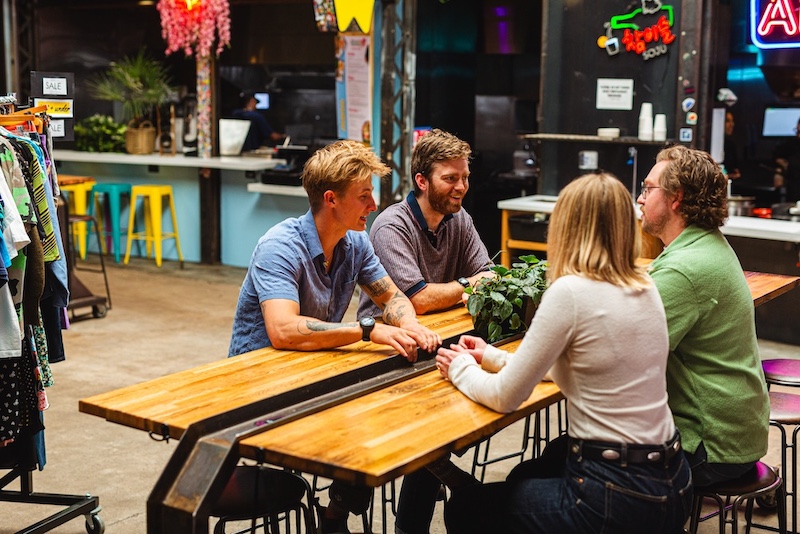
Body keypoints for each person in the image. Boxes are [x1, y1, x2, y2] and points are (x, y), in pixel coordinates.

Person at [436, 173, 692, 533]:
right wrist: (490, 358)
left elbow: (505, 397)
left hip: (615, 496)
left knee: (468, 507)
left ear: (566, 226)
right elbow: (573, 368)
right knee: (527, 474)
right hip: (674, 481)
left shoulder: (571, 291)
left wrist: (460, 366)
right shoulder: (644, 285)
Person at [228, 140, 442, 533]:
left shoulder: (355, 243)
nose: (373, 205)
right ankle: (337, 513)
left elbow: (392, 297)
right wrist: (367, 330)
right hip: (259, 390)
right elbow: (284, 330)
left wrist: (409, 325)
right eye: (363, 196)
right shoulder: (279, 246)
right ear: (331, 199)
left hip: (313, 372)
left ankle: (335, 512)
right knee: (371, 421)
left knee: (404, 414)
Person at [357, 128, 493, 534]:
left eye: (464, 177)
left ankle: (432, 489)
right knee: (432, 431)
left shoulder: (459, 219)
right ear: (422, 181)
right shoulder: (390, 226)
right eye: (450, 178)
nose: (461, 187)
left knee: (463, 418)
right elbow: (415, 299)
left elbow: (488, 274)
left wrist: (460, 288)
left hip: (439, 341)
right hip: (387, 351)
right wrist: (467, 287)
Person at [638, 144, 770, 488]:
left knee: (578, 459)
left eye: (648, 188)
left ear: (676, 198)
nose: (640, 198)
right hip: (737, 434)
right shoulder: (706, 243)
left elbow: (627, 355)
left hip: (711, 446)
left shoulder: (684, 268)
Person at [772, 116, 800, 202]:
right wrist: (780, 170)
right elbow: (776, 157)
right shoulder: (792, 144)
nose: (799, 136)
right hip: (794, 193)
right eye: (798, 132)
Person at [723, 111, 741, 180]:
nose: (732, 124)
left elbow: (735, 169)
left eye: (732, 121)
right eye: (727, 121)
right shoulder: (708, 144)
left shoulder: (731, 145)